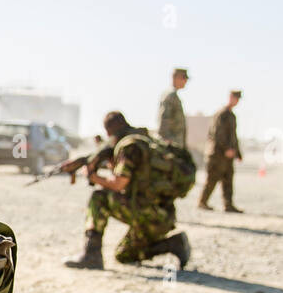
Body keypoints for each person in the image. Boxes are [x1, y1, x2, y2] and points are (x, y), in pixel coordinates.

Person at [60, 110, 191, 270]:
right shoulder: (146, 141)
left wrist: (93, 177)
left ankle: (91, 255)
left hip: (148, 213)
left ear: (109, 131)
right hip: (162, 216)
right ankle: (173, 244)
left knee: (99, 198)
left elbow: (118, 184)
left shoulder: (129, 146)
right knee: (123, 255)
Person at [199, 89, 243, 212]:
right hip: (218, 154)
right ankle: (202, 202)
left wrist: (238, 153)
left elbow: (233, 136)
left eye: (238, 99)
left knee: (228, 179)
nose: (236, 101)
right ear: (230, 97)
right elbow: (218, 134)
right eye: (235, 98)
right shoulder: (222, 114)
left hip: (228, 155)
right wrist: (226, 149)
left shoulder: (231, 115)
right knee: (212, 179)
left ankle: (228, 204)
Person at [157, 67, 188, 148]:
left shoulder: (173, 95)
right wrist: (165, 140)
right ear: (175, 78)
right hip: (171, 144)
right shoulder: (170, 96)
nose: (185, 81)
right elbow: (164, 118)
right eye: (183, 78)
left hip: (176, 144)